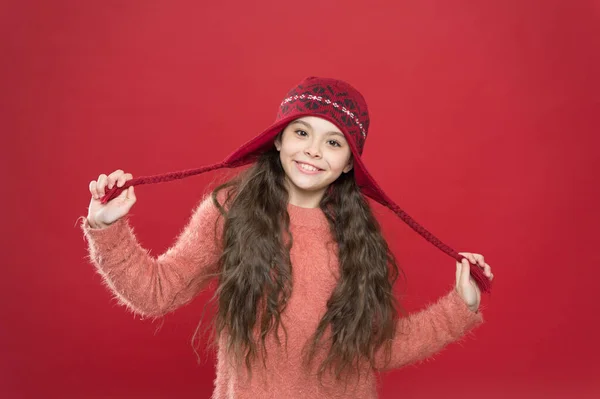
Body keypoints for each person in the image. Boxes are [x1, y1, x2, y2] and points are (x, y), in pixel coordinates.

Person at [81, 77, 494, 399]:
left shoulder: (358, 238)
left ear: (350, 163)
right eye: (301, 133)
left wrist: (461, 308)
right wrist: (107, 229)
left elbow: (375, 351)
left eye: (333, 142)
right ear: (278, 139)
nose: (313, 151)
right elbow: (156, 292)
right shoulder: (231, 211)